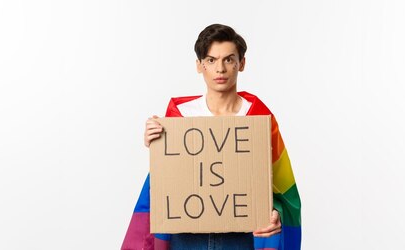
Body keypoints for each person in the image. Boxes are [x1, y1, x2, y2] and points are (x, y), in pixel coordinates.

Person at [122, 24, 301, 250]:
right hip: (185, 238)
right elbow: (166, 182)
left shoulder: (260, 118)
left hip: (240, 238)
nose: (220, 69)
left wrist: (277, 214)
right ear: (199, 65)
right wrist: (155, 142)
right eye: (211, 60)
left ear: (241, 63)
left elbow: (282, 188)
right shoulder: (180, 117)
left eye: (229, 59)